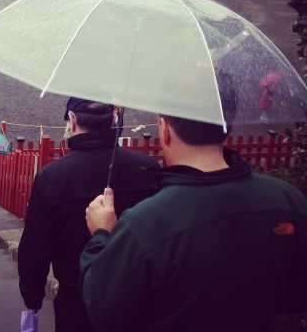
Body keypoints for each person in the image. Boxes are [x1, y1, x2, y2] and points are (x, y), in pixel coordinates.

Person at [80, 114, 307, 332]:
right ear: (227, 127)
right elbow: (295, 297)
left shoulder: (145, 223)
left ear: (165, 129)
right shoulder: (286, 200)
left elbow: (105, 314)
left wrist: (102, 234)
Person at [18, 98, 158, 331]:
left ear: (72, 121)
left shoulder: (52, 178)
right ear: (114, 120)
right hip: (138, 307)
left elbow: (36, 248)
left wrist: (32, 299)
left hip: (77, 306)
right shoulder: (148, 168)